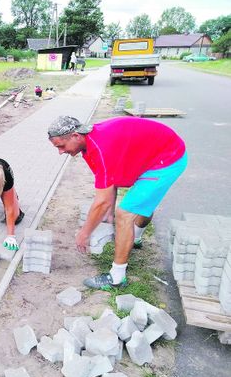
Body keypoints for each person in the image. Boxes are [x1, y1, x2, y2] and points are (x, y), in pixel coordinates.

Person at [47, 116, 187, 289]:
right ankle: (134, 238)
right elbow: (109, 182)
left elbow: (101, 202)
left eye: (61, 146)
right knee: (140, 202)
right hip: (154, 154)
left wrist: (84, 233)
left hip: (169, 158)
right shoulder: (89, 144)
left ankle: (117, 277)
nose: (60, 152)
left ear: (76, 136)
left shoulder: (100, 148)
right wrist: (108, 218)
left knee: (125, 213)